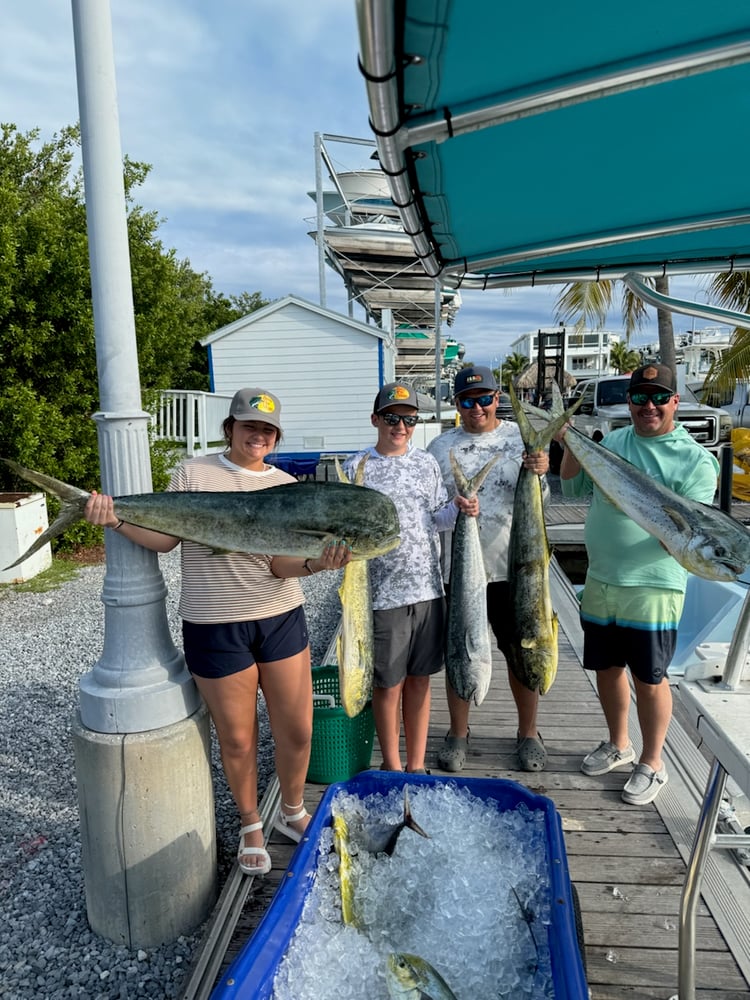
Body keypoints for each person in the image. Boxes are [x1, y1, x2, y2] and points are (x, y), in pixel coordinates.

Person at [84, 387, 351, 875]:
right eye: (249, 426)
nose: (258, 435)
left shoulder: (287, 484)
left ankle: (291, 810)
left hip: (280, 617)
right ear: (229, 428)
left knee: (297, 728)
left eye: (268, 429)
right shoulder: (194, 473)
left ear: (276, 437)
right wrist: (116, 517)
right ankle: (251, 822)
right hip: (215, 623)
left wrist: (316, 563)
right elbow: (166, 540)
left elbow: (279, 565)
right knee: (238, 737)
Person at [556, 363, 720, 805]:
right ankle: (618, 743)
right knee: (607, 671)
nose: (649, 406)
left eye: (658, 397)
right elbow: (571, 491)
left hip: (654, 584)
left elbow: (691, 531)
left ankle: (653, 762)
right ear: (628, 401)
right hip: (600, 577)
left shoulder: (695, 460)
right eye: (640, 397)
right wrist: (568, 440)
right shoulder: (613, 443)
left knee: (649, 678)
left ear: (674, 402)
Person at [343, 382, 478, 773]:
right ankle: (391, 764)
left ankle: (416, 765)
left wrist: (460, 508)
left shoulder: (425, 463)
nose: (400, 426)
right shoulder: (355, 467)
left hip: (428, 591)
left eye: (408, 419)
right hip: (381, 596)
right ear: (375, 420)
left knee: (420, 680)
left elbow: (436, 518)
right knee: (388, 684)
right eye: (391, 418)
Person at [427, 365, 550, 772]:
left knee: (522, 652)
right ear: (457, 403)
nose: (476, 407)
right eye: (466, 400)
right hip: (458, 572)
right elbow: (431, 509)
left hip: (514, 570)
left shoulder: (520, 440)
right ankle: (458, 733)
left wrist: (540, 473)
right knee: (460, 651)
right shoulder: (440, 447)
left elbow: (540, 500)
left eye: (484, 398)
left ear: (497, 398)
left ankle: (528, 733)